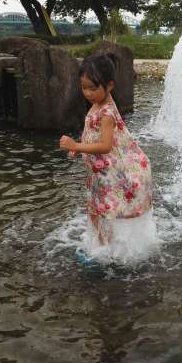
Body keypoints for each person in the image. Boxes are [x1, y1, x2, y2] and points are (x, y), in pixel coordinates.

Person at [59, 54, 153, 245]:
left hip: (112, 174)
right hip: (99, 173)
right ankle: (100, 246)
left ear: (109, 86)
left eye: (93, 88)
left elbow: (105, 145)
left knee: (104, 213)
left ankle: (106, 250)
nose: (87, 93)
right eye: (83, 87)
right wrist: (80, 149)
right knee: (95, 210)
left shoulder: (107, 112)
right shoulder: (97, 104)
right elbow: (93, 135)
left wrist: (76, 145)